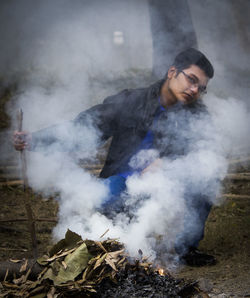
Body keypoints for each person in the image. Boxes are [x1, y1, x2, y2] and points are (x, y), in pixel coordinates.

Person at [14, 48, 216, 266]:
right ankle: (118, 232)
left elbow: (202, 155)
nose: (194, 89)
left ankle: (185, 249)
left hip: (167, 191)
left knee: (204, 178)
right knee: (104, 224)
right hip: (123, 184)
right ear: (172, 72)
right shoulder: (131, 101)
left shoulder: (197, 116)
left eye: (201, 88)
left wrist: (168, 164)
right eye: (191, 79)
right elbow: (83, 129)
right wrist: (36, 139)